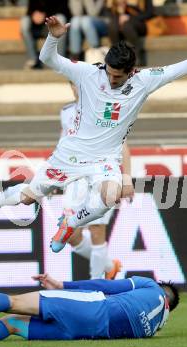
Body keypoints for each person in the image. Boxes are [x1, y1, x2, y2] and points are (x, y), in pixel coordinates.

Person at [0, 16, 187, 255]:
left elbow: (182, 66)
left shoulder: (145, 80)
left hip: (105, 157)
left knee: (110, 195)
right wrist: (53, 37)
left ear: (132, 72)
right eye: (108, 72)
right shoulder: (87, 73)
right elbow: (48, 58)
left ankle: (71, 221)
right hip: (70, 153)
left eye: (117, 77)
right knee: (27, 198)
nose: (110, 79)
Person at [0, 273, 179, 341]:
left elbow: (107, 286)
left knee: (14, 303)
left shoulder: (149, 286)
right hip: (85, 332)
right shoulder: (156, 326)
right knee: (14, 325)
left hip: (93, 307)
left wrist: (63, 284)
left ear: (161, 288)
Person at [61, 81, 130, 279]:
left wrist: (126, 179)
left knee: (97, 230)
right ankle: (109, 267)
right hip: (75, 179)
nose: (77, 89)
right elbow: (64, 144)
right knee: (70, 234)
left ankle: (97, 285)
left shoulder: (108, 108)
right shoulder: (66, 112)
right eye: (74, 85)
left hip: (101, 176)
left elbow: (122, 145)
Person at [20, 0, 70, 69]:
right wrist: (33, 15)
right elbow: (30, 10)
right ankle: (33, 60)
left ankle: (60, 61)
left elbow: (64, 10)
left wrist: (45, 15)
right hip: (38, 27)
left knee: (61, 18)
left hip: (53, 24)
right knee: (24, 21)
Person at [105, 0, 153, 66]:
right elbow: (110, 13)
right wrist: (120, 11)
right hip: (120, 22)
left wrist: (130, 17)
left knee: (126, 27)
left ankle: (136, 57)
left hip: (139, 23)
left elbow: (149, 13)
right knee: (113, 26)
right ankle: (116, 56)